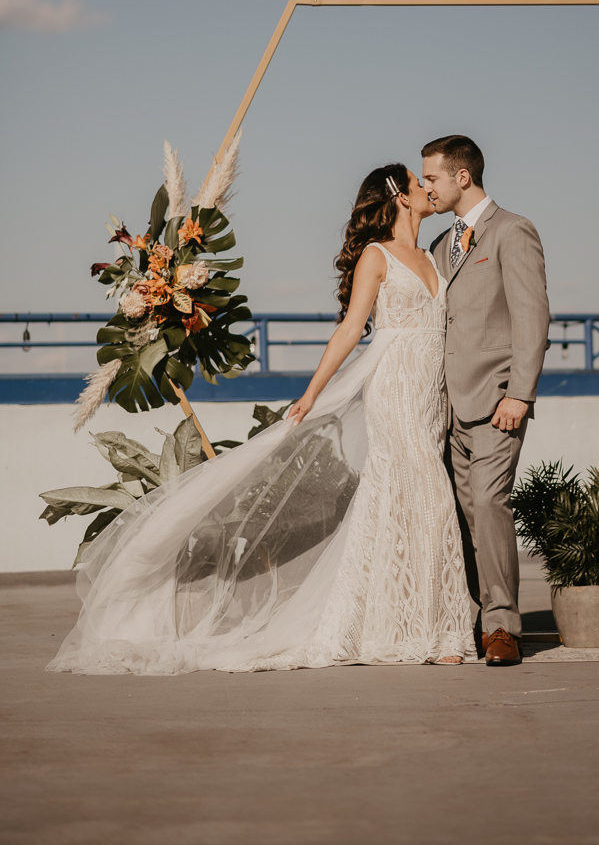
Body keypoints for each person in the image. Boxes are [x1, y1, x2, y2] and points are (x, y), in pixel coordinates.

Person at [48, 164, 476, 674]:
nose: (428, 188)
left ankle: (411, 623)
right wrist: (312, 394)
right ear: (400, 197)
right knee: (425, 491)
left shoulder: (431, 255)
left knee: (410, 499)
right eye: (418, 181)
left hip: (432, 396)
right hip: (395, 389)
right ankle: (437, 628)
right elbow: (349, 331)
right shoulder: (375, 256)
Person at [422, 135, 550, 666]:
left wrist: (520, 393)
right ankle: (475, 617)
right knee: (466, 512)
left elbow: (532, 317)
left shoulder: (512, 231)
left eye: (431, 177)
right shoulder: (437, 246)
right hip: (447, 407)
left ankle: (502, 628)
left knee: (491, 502)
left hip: (498, 399)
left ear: (462, 177)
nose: (425, 187)